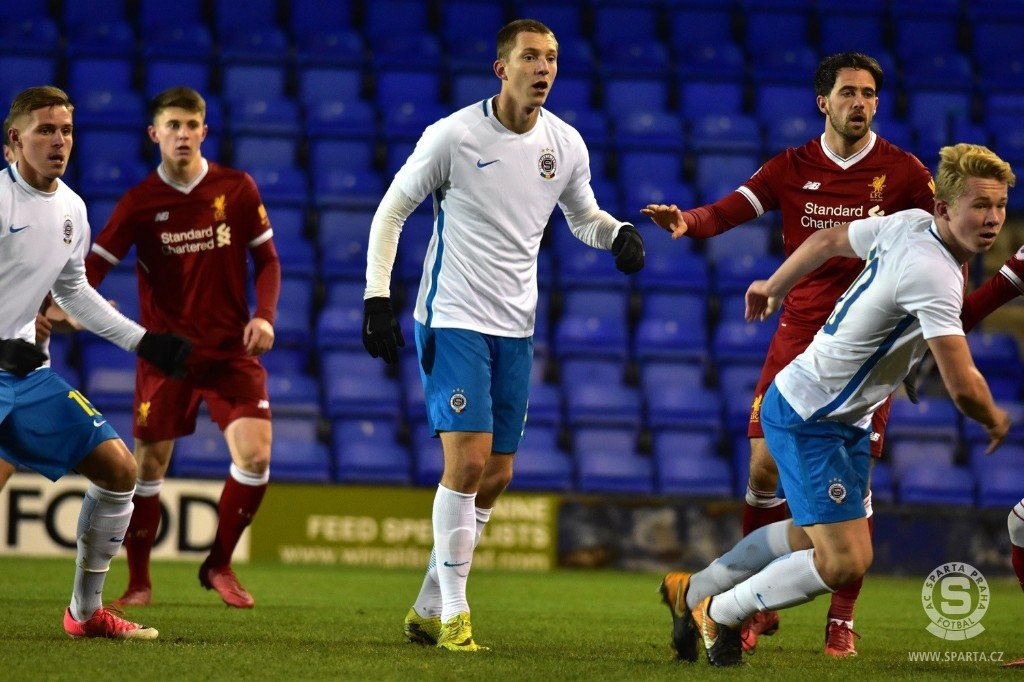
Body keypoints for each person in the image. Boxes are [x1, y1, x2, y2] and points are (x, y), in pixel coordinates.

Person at [664, 143, 1013, 667]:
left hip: (839, 415)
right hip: (812, 414)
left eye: (1001, 206)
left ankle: (693, 591)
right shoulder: (938, 273)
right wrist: (995, 417)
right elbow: (962, 383)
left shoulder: (910, 224)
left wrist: (773, 284)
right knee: (846, 559)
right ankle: (722, 610)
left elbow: (827, 239)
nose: (992, 219)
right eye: (979, 206)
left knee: (807, 535)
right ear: (944, 208)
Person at [363, 19, 644, 651]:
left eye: (551, 59)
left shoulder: (566, 143)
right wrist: (377, 297)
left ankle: (427, 604)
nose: (543, 69)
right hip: (454, 314)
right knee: (467, 460)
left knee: (496, 473)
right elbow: (392, 209)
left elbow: (583, 217)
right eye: (530, 58)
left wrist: (616, 235)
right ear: (502, 68)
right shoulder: (453, 135)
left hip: (516, 325)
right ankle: (457, 616)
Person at [643, 52, 935, 657]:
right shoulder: (793, 166)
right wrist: (687, 221)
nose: (861, 103)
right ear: (822, 102)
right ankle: (748, 603)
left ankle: (840, 620)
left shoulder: (905, 175)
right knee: (763, 470)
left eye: (870, 93)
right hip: (799, 335)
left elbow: (935, 251)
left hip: (866, 346)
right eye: (848, 93)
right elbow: (731, 208)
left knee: (853, 484)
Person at [0, 85, 191, 639]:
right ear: (14, 139)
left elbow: (76, 291)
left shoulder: (71, 208)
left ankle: (85, 614)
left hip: (27, 374)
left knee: (119, 470)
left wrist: (144, 341)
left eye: (66, 131)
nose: (59, 142)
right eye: (45, 131)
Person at [84, 87, 281, 609]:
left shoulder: (236, 189)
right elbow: (93, 269)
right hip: (166, 355)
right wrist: (60, 305)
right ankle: (139, 584)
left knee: (256, 456)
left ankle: (219, 564)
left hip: (230, 351)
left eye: (192, 125)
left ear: (204, 131)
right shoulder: (139, 203)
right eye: (173, 125)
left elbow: (268, 262)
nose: (183, 134)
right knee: (147, 470)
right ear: (155, 134)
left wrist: (264, 315)